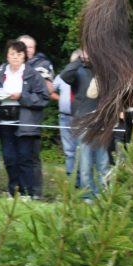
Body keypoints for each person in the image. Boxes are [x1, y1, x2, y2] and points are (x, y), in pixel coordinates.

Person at [0, 40, 49, 199]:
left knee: (25, 158)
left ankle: (27, 192)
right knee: (9, 159)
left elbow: (43, 98)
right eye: (12, 54)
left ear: (24, 57)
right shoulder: (1, 74)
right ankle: (13, 190)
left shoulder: (32, 74)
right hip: (5, 123)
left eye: (19, 54)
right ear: (7, 55)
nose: (15, 57)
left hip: (24, 123)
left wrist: (21, 96)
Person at [58, 50, 109, 197]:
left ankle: (103, 195)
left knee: (103, 161)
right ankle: (87, 196)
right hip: (82, 120)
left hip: (101, 120)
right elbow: (64, 75)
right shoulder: (78, 69)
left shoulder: (104, 69)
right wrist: (80, 59)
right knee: (85, 162)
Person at [52, 49, 83, 185]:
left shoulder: (86, 77)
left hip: (81, 118)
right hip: (65, 117)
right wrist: (61, 99)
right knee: (69, 150)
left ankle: (82, 181)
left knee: (81, 150)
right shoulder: (62, 76)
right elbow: (49, 90)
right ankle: (72, 181)